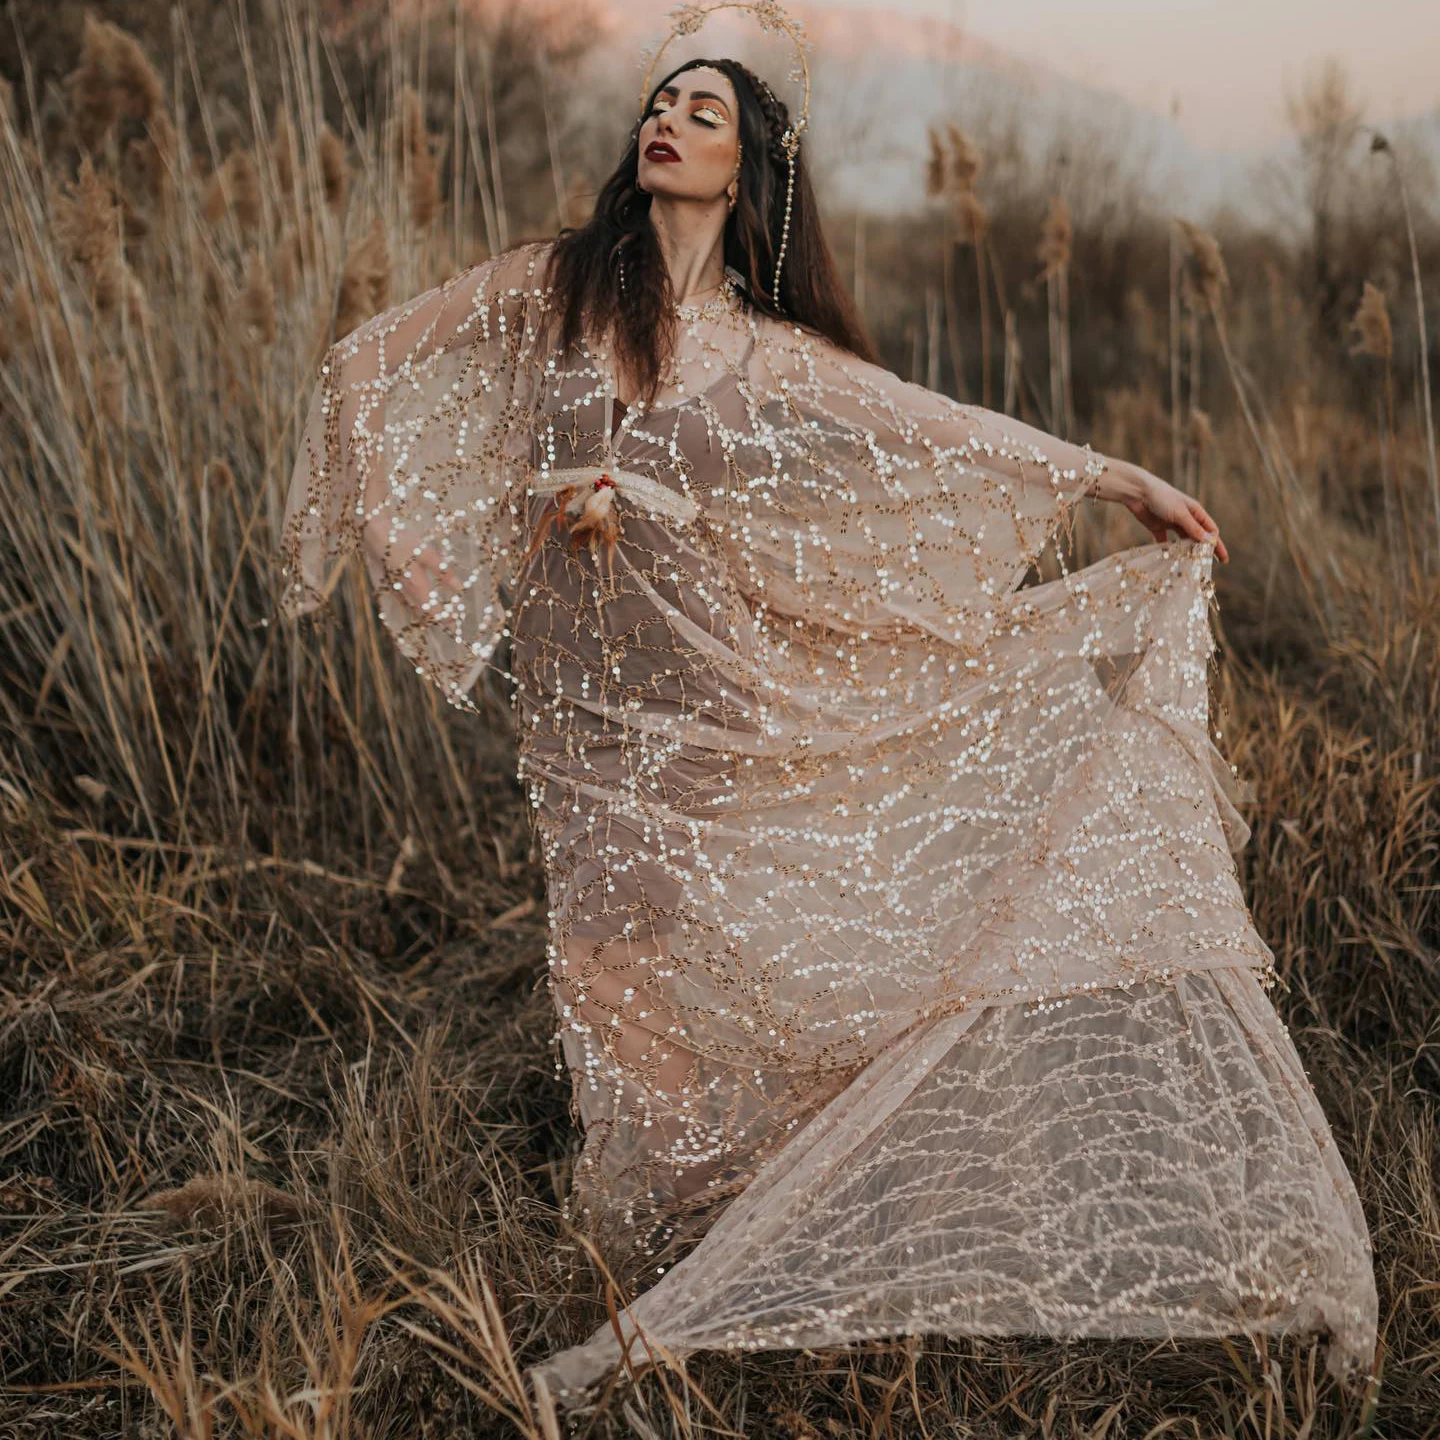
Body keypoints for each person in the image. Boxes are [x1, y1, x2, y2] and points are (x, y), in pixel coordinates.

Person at [276, 3, 1378, 1416]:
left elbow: (929, 420)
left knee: (718, 934)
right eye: (659, 101)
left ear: (746, 172)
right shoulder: (558, 283)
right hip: (586, 703)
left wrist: (1117, 480)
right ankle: (657, 1232)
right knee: (607, 951)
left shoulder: (763, 350)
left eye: (704, 111)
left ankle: (728, 1225)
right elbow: (362, 361)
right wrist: (413, 544)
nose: (664, 119)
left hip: (715, 684)